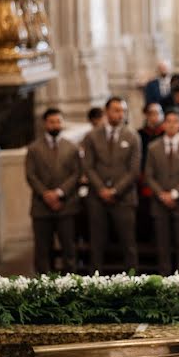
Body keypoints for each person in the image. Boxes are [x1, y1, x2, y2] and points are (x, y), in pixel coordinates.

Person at [81, 97, 141, 272]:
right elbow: (88, 166)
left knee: (128, 244)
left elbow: (134, 170)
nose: (120, 114)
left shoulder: (132, 136)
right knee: (97, 243)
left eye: (123, 111)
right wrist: (101, 189)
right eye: (116, 110)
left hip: (124, 197)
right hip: (97, 198)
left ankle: (133, 282)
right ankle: (95, 283)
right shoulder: (92, 136)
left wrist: (115, 191)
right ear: (107, 112)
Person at [144, 110, 179, 275]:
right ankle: (164, 282)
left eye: (175, 121)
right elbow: (149, 175)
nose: (171, 125)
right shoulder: (153, 147)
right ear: (164, 124)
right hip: (159, 202)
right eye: (168, 121)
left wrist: (175, 194)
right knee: (162, 246)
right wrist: (162, 194)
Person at [25, 107, 80, 273]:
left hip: (66, 205)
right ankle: (43, 286)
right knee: (42, 250)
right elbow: (31, 175)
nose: (55, 125)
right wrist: (46, 194)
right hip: (41, 206)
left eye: (58, 121)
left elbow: (76, 173)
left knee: (69, 248)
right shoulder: (34, 148)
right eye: (52, 122)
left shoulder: (71, 147)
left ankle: (71, 284)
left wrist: (59, 193)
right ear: (45, 124)